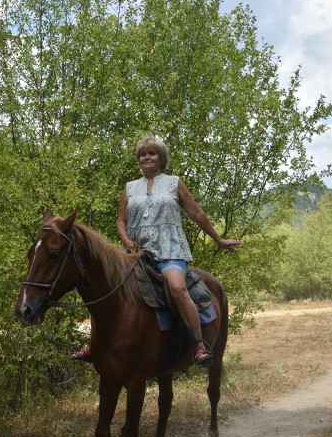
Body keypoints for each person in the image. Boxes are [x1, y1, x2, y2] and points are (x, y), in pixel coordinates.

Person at [71, 136, 242, 364]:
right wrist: (126, 240)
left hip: (169, 251)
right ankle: (97, 345)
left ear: (162, 158)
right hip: (135, 253)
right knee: (106, 290)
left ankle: (199, 344)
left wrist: (218, 239)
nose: (146, 157)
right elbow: (121, 221)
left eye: (151, 153)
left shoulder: (174, 183)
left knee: (177, 288)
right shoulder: (130, 188)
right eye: (142, 154)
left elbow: (196, 213)